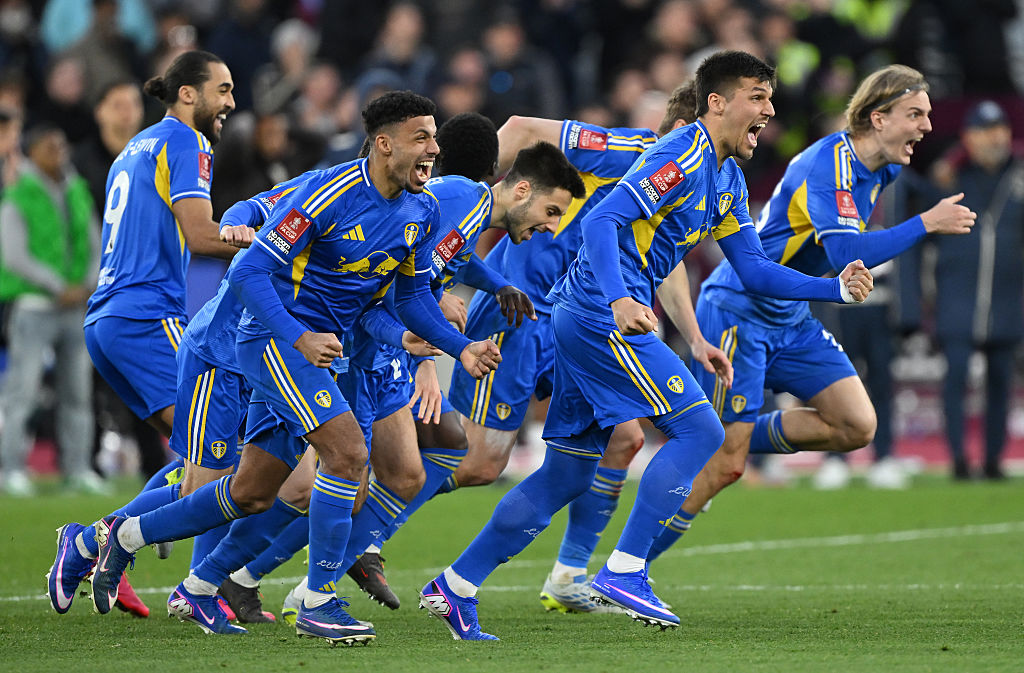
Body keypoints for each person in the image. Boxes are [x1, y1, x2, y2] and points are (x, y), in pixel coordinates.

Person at [419, 50, 874, 639]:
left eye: (769, 97)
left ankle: (455, 586)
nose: (769, 110)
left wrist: (832, 286)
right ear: (717, 103)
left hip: (583, 316)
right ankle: (625, 570)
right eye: (757, 97)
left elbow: (756, 269)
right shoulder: (681, 153)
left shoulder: (728, 179)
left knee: (568, 474)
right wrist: (617, 298)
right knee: (703, 430)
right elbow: (606, 219)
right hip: (599, 315)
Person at [84, 91, 501, 645]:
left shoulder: (421, 210)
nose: (433, 149)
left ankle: (126, 537)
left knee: (252, 491)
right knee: (349, 452)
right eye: (421, 137)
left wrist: (459, 346)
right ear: (383, 144)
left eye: (434, 137)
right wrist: (298, 335)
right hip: (271, 340)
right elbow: (252, 269)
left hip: (314, 348)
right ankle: (318, 601)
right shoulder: (332, 192)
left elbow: (412, 297)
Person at [650, 64, 976, 563]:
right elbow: (846, 251)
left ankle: (728, 434)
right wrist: (926, 223)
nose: (927, 127)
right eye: (915, 114)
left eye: (927, 115)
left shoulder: (884, 169)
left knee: (855, 425)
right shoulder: (828, 166)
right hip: (740, 311)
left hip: (792, 316)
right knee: (725, 468)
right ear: (878, 117)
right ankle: (628, 569)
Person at [46, 50, 249, 617]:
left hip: (107, 320)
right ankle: (102, 545)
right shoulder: (189, 143)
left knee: (200, 451)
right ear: (189, 94)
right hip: (145, 316)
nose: (231, 103)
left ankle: (117, 552)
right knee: (223, 459)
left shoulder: (134, 148)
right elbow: (204, 236)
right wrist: (272, 242)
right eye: (223, 89)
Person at [0, 125, 100, 496]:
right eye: (49, 145)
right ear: (30, 153)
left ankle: (78, 469)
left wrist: (87, 283)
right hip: (34, 306)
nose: (59, 150)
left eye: (61, 143)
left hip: (75, 306)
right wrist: (60, 286)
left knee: (78, 393)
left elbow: (95, 240)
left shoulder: (76, 190)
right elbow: (14, 255)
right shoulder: (17, 195)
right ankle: (11, 469)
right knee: (22, 391)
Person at [932, 100, 1023, 480]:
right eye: (985, 130)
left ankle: (992, 460)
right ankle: (957, 458)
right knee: (955, 378)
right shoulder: (951, 176)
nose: (994, 137)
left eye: (1000, 128)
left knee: (1001, 383)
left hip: (1006, 299)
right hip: (958, 297)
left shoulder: (1017, 177)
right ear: (968, 137)